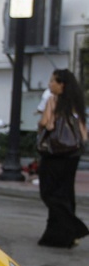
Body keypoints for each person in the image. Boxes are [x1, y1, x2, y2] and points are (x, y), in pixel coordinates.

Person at [36, 68, 89, 248]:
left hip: (54, 153)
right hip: (73, 153)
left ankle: (75, 227)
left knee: (48, 192)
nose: (50, 84)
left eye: (53, 81)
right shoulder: (76, 102)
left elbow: (47, 124)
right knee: (66, 193)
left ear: (62, 85)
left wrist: (44, 117)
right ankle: (62, 237)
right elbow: (83, 131)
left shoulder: (53, 100)